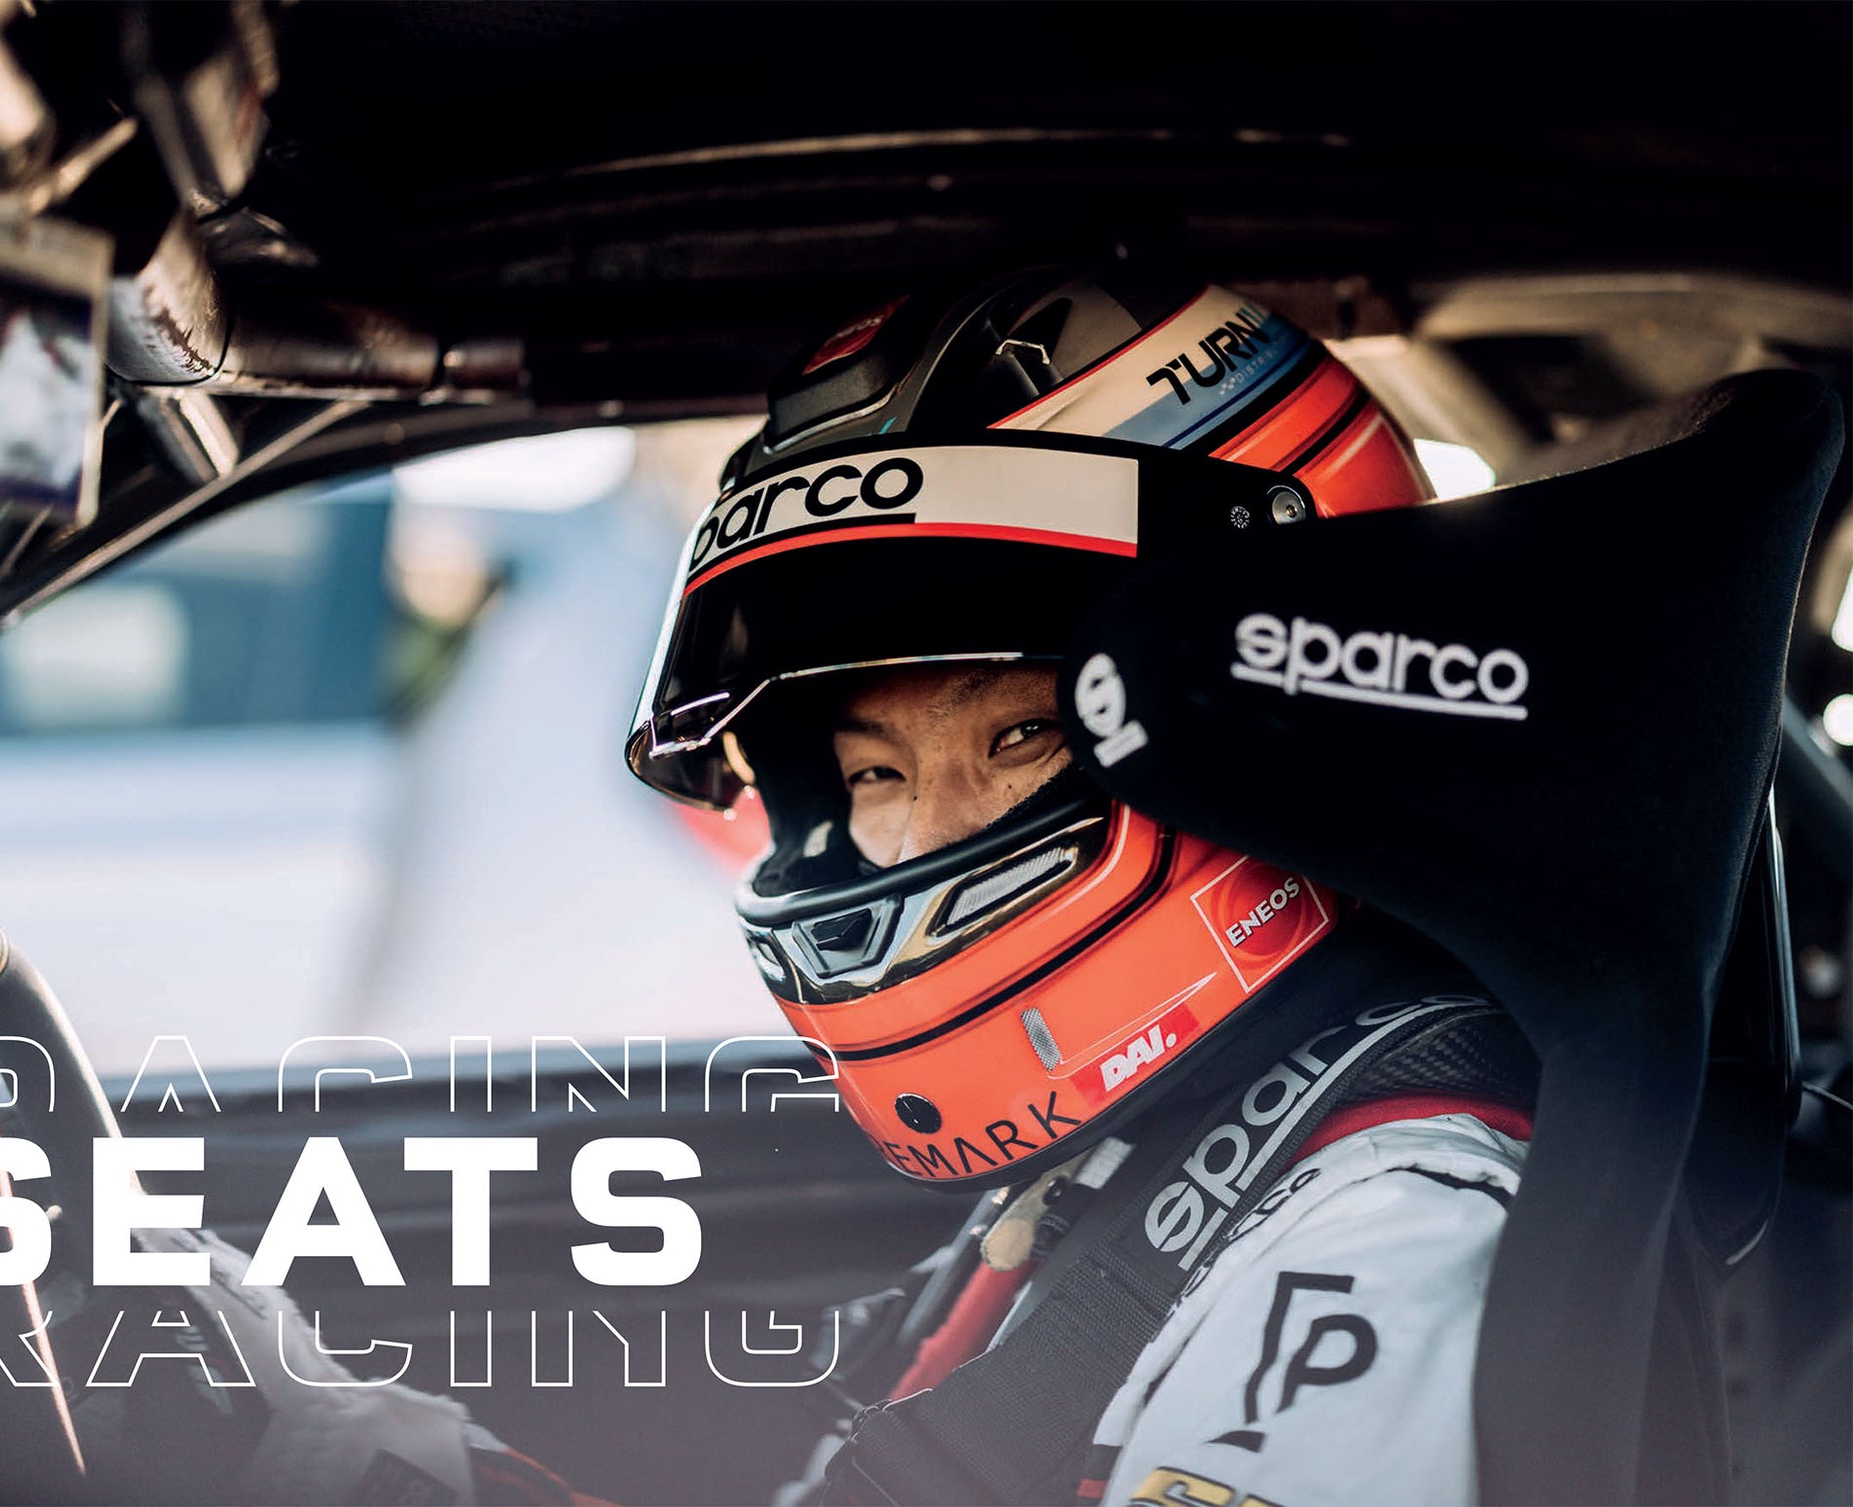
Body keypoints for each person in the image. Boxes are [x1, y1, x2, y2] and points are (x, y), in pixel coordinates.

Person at [621, 258, 1543, 1506]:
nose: (923, 841)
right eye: (873, 773)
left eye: (1019, 736)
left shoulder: (1386, 1233)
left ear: (1293, 709)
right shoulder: (1150, 1133)